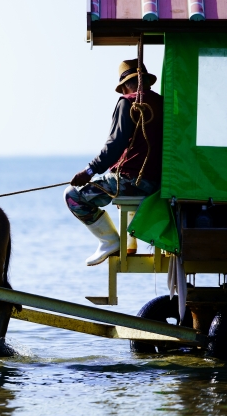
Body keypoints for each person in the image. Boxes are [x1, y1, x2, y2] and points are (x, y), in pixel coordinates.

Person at [65, 59, 164, 266]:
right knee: (117, 185)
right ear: (146, 80)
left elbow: (114, 145)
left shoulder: (127, 102)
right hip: (158, 185)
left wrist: (89, 171)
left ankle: (110, 241)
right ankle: (130, 243)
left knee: (73, 196)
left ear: (126, 84)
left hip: (133, 182)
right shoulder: (163, 103)